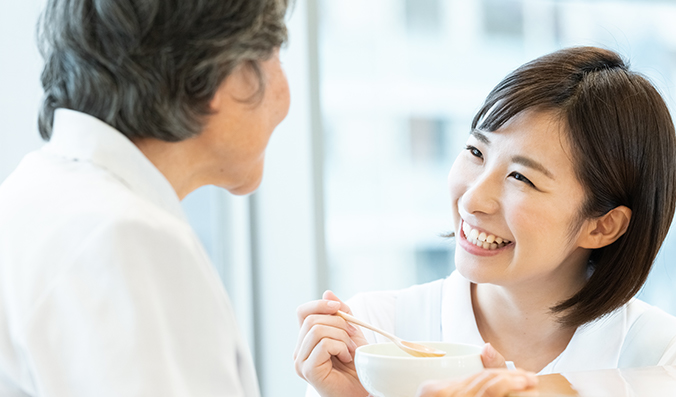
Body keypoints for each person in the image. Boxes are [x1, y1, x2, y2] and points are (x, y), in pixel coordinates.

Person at [294, 46, 676, 397]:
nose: (473, 198)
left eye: (521, 178)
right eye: (476, 151)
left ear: (602, 226)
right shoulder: (373, 335)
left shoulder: (658, 358)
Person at [0, 0, 289, 396]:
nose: (285, 95)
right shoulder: (126, 239)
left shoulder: (34, 194)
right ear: (222, 69)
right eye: (276, 54)